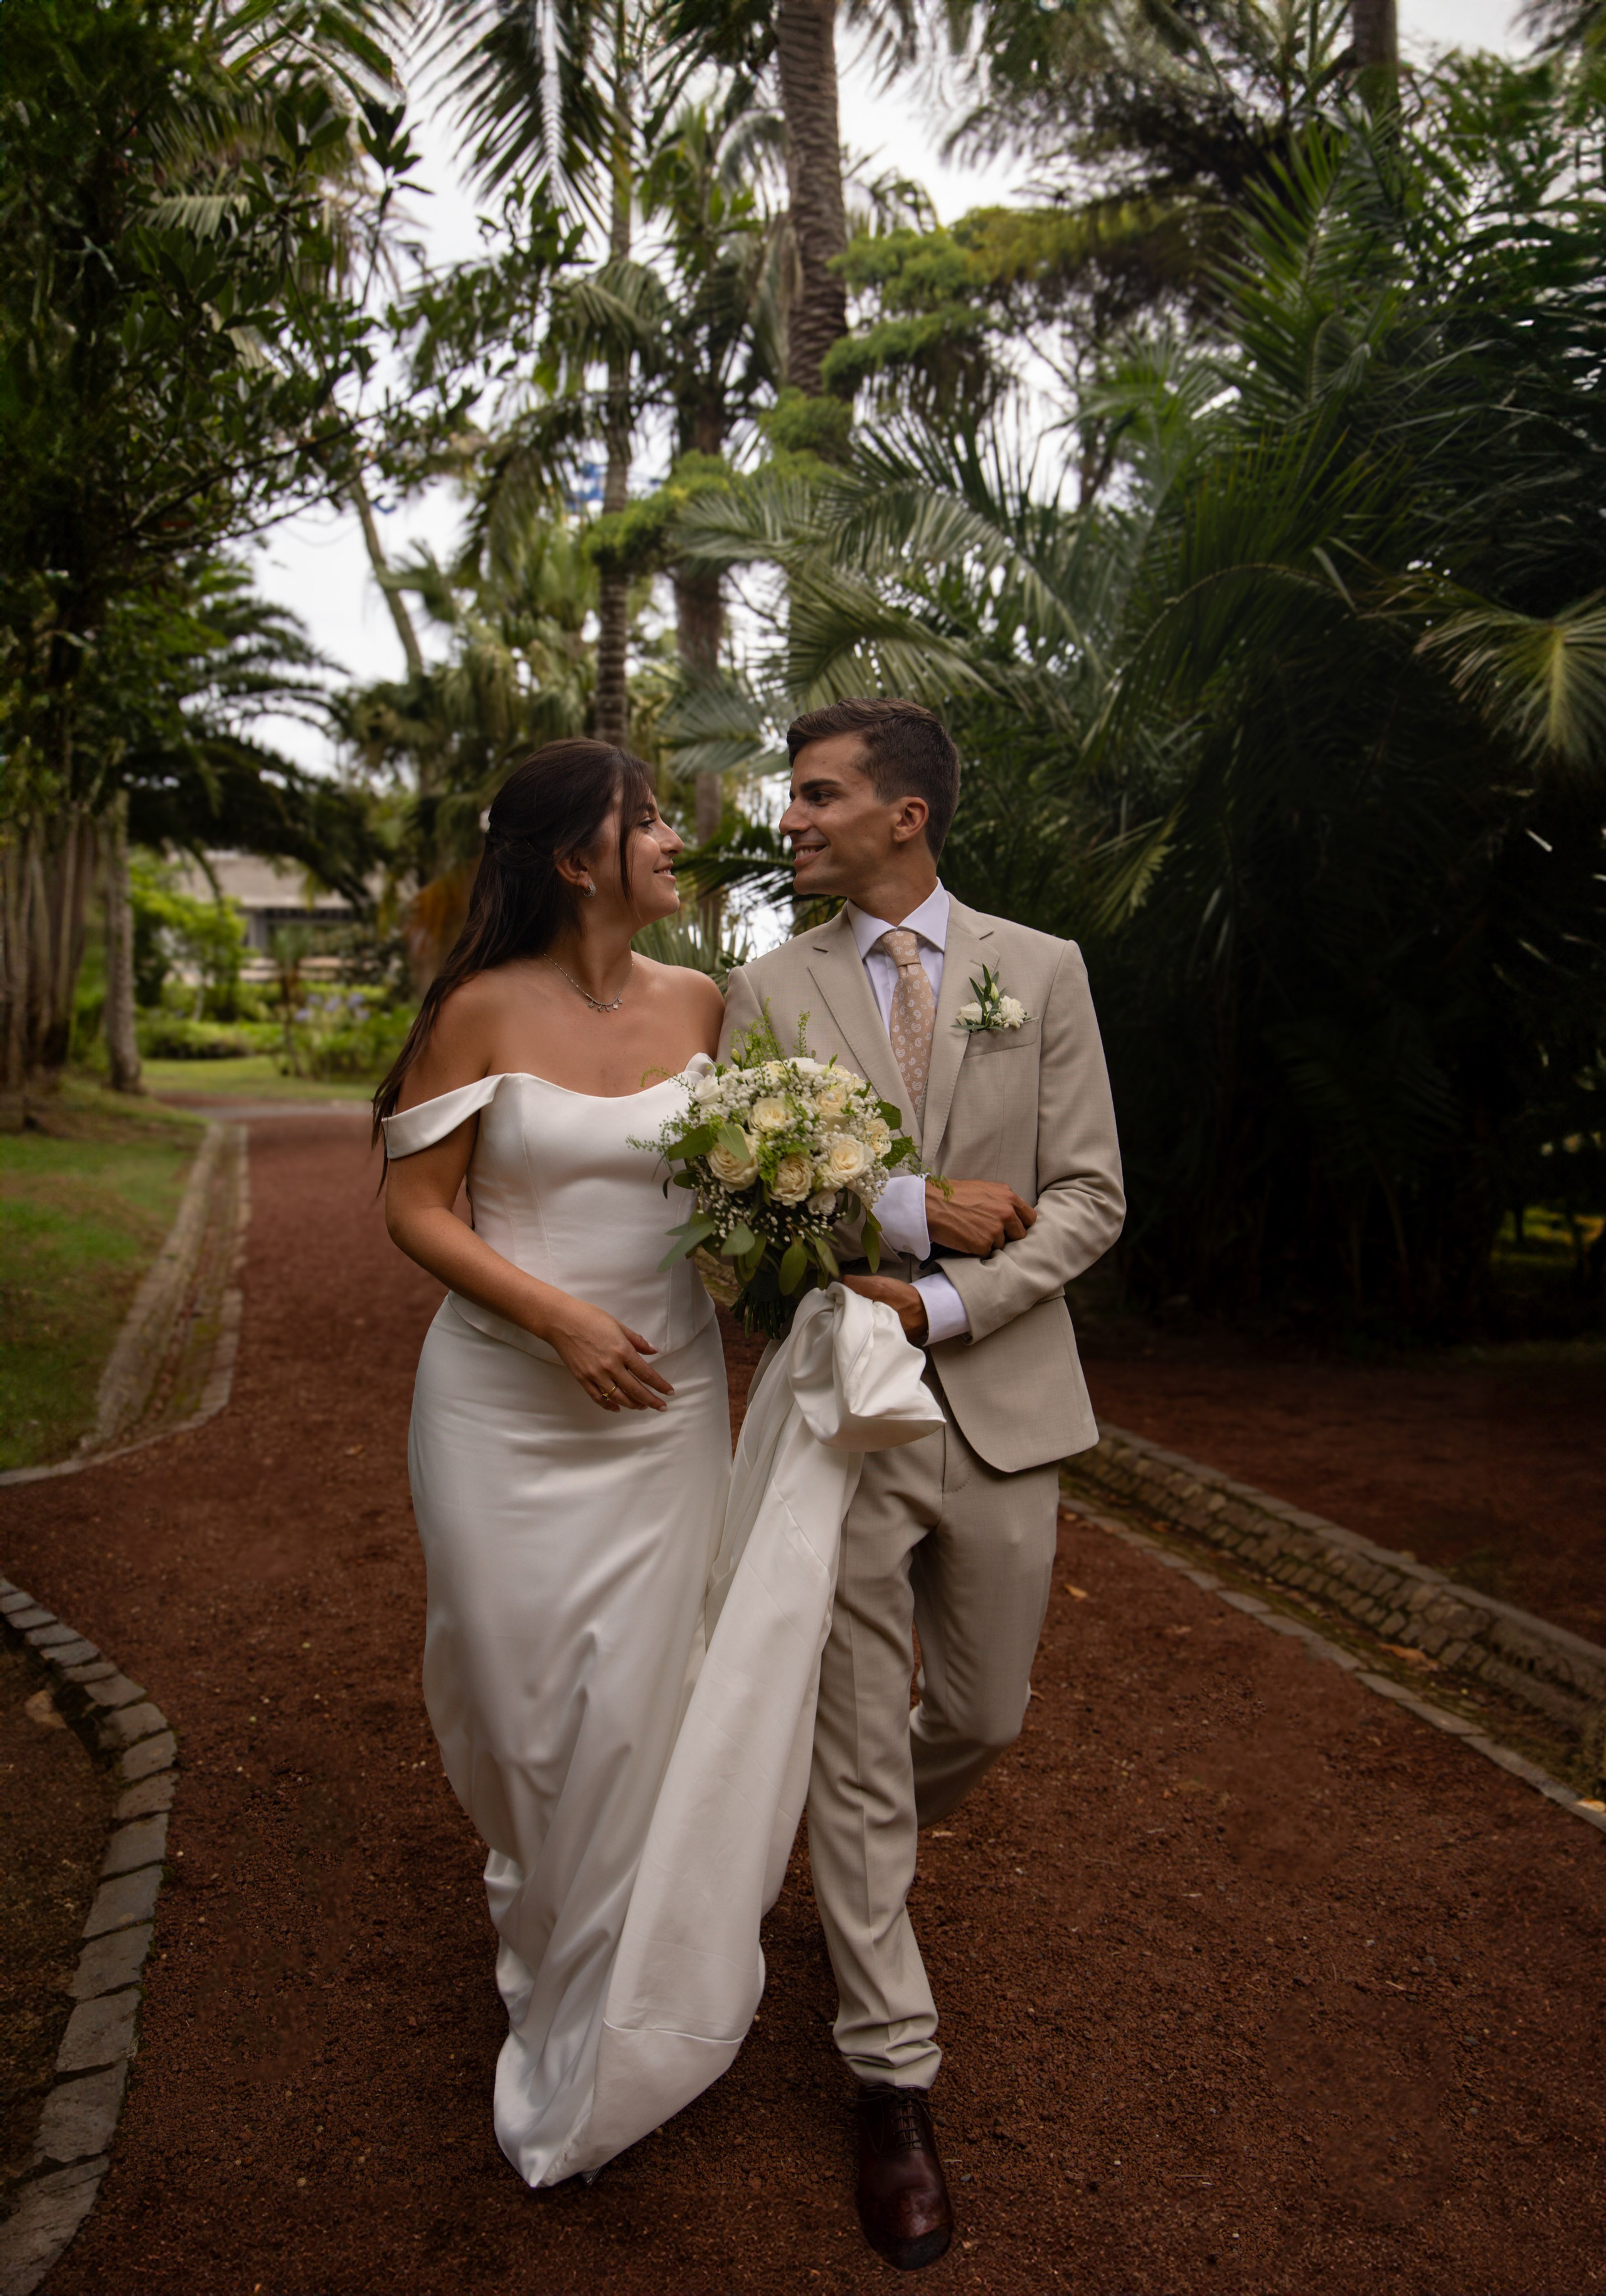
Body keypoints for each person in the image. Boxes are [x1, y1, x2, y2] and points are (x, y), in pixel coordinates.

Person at [720, 697, 1125, 2271]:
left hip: (1006, 1398)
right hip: (843, 1413)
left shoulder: (1043, 970)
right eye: (792, 796)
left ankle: (849, 1857)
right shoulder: (767, 989)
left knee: (980, 1715)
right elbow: (740, 1211)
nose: (792, 820)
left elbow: (1087, 1194)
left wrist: (952, 1303)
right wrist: (901, 1210)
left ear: (907, 816)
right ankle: (890, 2078)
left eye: (817, 795)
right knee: (857, 1740)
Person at [373, 738, 730, 2189]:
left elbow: (750, 1184)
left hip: (664, 1402)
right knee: (520, 1710)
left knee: (635, 1711)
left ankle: (610, 2011)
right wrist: (557, 1318)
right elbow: (415, 1208)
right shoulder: (475, 1008)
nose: (670, 840)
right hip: (499, 1408)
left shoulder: (704, 1003)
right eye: (645, 822)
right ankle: (537, 1908)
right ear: (577, 860)